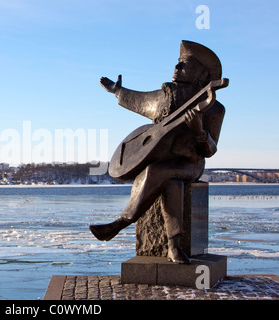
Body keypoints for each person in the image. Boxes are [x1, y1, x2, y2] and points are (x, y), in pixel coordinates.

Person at [89, 41, 225, 264]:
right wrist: (118, 91)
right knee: (170, 182)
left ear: (201, 75)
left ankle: (122, 222)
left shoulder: (214, 108)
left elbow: (210, 150)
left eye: (185, 65)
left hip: (190, 163)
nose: (177, 68)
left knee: (157, 171)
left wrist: (199, 132)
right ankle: (173, 247)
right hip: (162, 161)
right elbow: (138, 100)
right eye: (177, 63)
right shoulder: (163, 98)